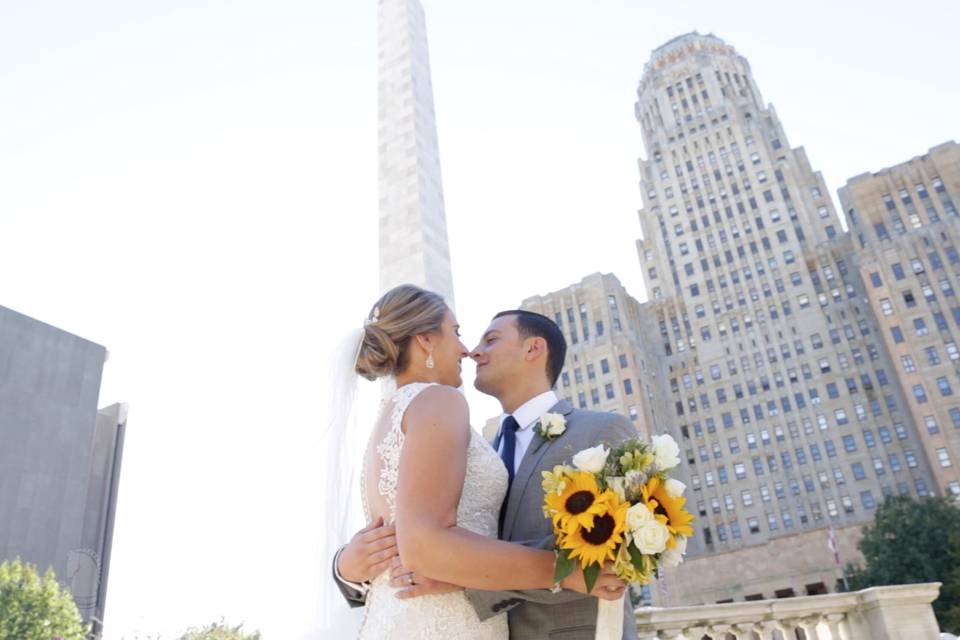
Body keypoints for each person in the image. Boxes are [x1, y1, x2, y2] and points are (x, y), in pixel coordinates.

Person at [332, 285, 634, 639]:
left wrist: (461, 577)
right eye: (457, 333)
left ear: (534, 348)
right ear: (426, 341)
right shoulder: (441, 408)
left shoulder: (601, 430)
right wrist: (561, 570)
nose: (469, 350)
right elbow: (426, 545)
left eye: (489, 340)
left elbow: (629, 548)